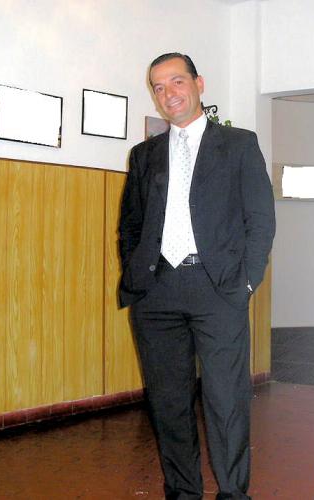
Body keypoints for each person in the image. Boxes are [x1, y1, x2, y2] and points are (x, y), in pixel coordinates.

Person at [118, 52, 275, 500]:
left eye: (176, 81)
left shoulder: (239, 144)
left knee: (226, 401)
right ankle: (183, 492)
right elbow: (130, 226)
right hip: (157, 293)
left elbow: (260, 219)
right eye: (158, 86)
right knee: (168, 403)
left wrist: (247, 281)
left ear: (198, 84)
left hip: (218, 289)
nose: (168, 93)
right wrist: (138, 276)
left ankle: (233, 493)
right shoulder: (144, 155)